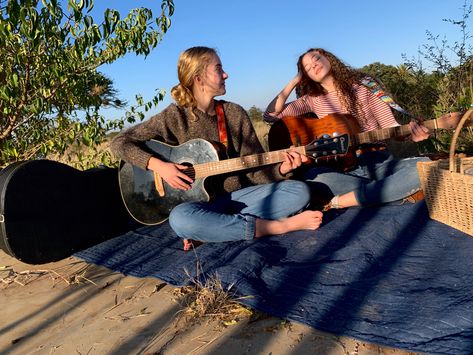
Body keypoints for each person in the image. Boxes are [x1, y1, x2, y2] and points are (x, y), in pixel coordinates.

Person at [111, 46, 323, 250]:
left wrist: (282, 170)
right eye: (219, 69)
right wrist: (159, 166)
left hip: (241, 199)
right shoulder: (174, 117)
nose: (226, 75)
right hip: (200, 206)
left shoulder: (234, 114)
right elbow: (119, 142)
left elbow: (255, 171)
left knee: (299, 191)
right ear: (199, 78)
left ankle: (215, 230)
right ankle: (278, 226)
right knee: (180, 219)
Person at [264, 47, 434, 210]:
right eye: (306, 68)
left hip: (378, 159)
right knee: (313, 177)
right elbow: (270, 115)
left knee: (424, 167)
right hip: (340, 168)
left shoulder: (365, 85)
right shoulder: (311, 99)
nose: (313, 65)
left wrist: (411, 134)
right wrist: (294, 81)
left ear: (328, 58)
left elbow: (391, 126)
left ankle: (343, 201)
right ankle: (391, 193)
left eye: (316, 58)